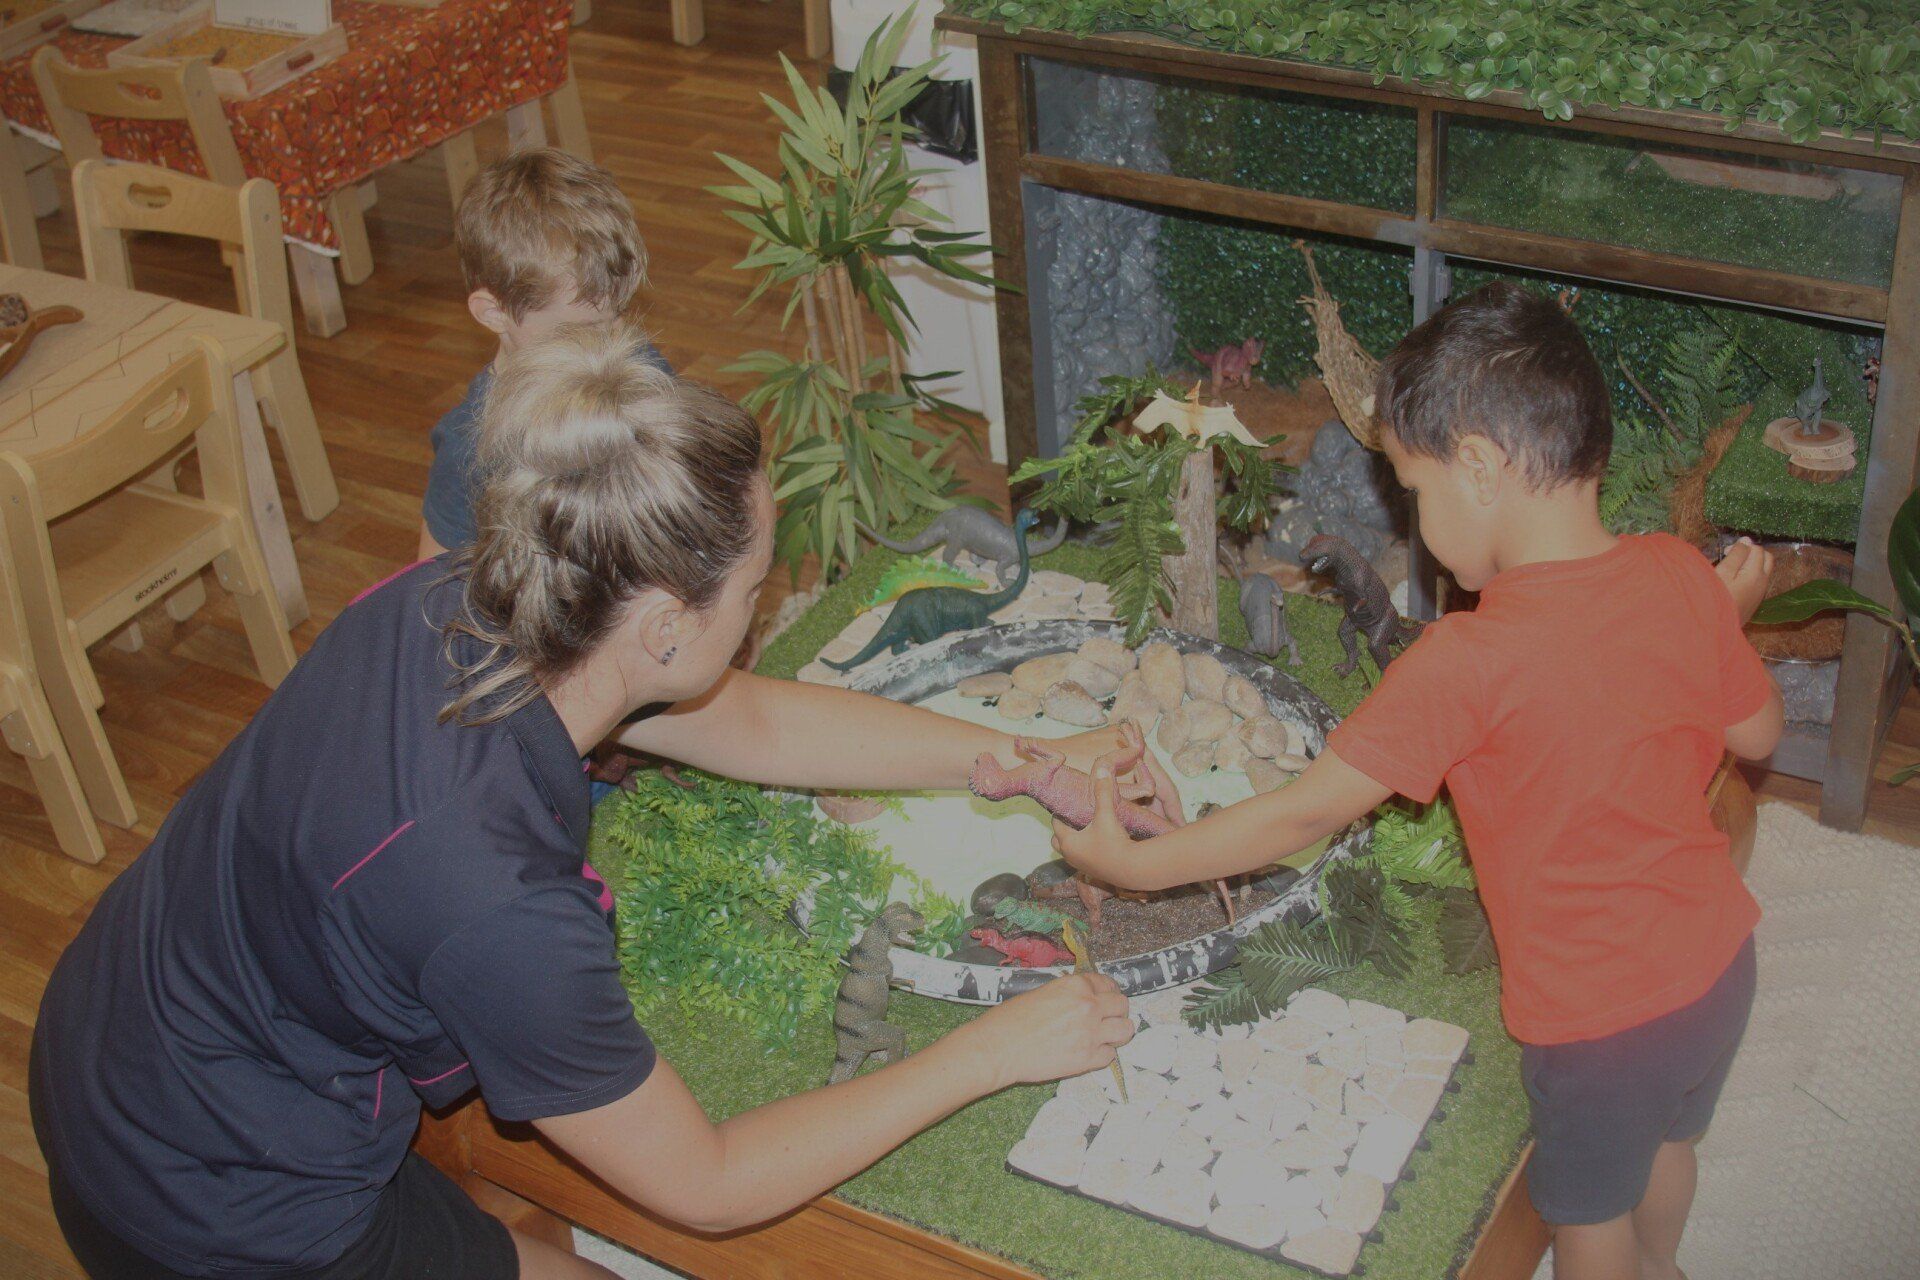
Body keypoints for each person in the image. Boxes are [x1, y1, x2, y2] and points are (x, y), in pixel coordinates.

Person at [32, 325, 1175, 1279]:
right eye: (755, 584)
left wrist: (1024, 752)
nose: (765, 600)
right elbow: (710, 1181)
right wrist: (994, 1047)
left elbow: (758, 724)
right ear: (664, 627)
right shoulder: (500, 909)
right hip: (206, 1191)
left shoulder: (461, 596)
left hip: (118, 1013)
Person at [1053, 283, 1781, 1280]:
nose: (1420, 519)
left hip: (1600, 1021)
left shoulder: (1464, 664)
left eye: (1416, 492)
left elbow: (1302, 809)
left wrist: (1139, 867)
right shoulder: (1677, 575)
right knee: (1668, 1145)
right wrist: (1713, 625)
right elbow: (1758, 727)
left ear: (1478, 468)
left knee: (1587, 1215)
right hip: (1720, 966)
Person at [418, 147, 671, 560]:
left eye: (618, 316)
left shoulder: (635, 363)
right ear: (494, 312)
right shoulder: (471, 448)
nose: (615, 342)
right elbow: (430, 583)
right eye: (584, 330)